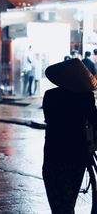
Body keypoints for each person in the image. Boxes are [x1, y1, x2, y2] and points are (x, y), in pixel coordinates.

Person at [42, 58, 97, 213]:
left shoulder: (50, 95)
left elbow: (49, 119)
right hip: (77, 153)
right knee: (70, 197)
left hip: (54, 152)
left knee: (57, 199)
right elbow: (94, 119)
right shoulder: (86, 97)